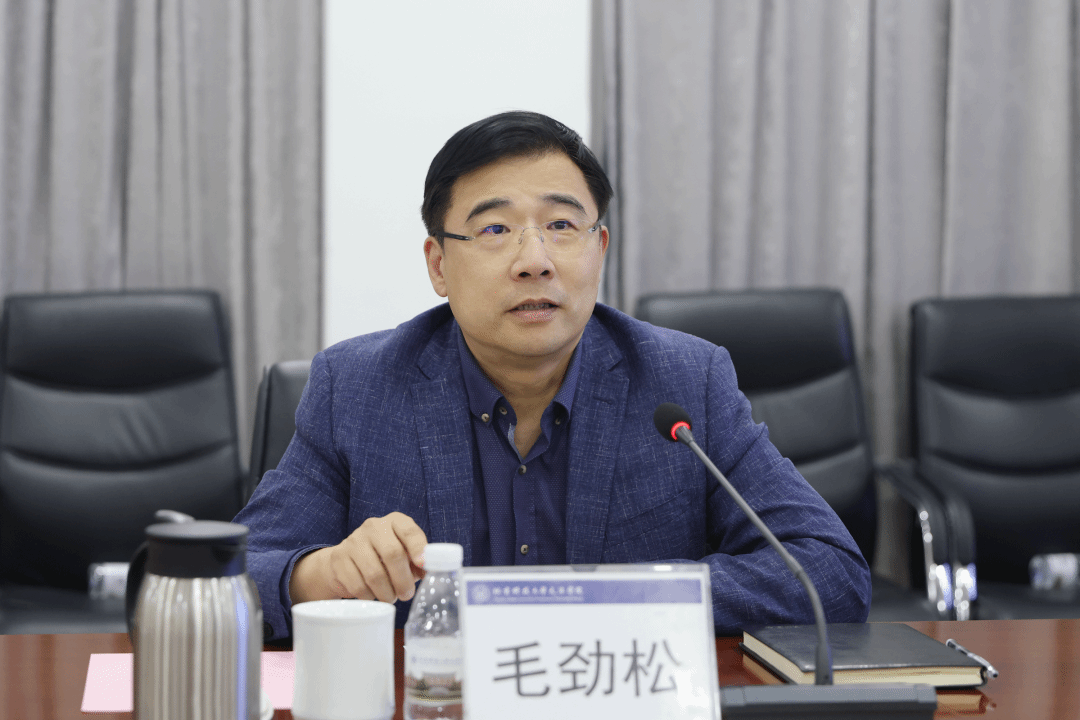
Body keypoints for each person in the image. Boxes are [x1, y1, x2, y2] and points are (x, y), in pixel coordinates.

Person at [236, 111, 871, 639]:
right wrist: (324, 575)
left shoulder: (685, 381)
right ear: (438, 265)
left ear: (599, 249)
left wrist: (613, 603)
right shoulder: (356, 387)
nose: (534, 260)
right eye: (494, 229)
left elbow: (829, 572)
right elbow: (232, 578)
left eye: (562, 226)